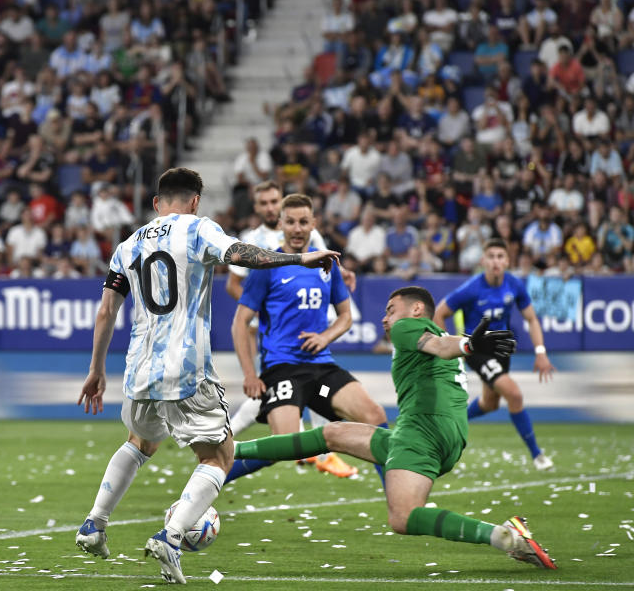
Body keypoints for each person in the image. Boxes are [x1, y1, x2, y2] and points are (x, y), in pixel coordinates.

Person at [73, 168, 341, 584]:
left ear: (157, 203)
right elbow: (244, 256)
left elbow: (107, 310)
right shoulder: (199, 230)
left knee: (140, 442)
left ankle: (94, 523)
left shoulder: (126, 246)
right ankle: (172, 535)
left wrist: (95, 369)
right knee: (219, 456)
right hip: (187, 369)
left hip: (138, 370)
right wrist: (299, 258)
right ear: (195, 201)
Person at [234, 287, 557, 570]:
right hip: (442, 437)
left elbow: (439, 345)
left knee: (402, 518)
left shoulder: (408, 327)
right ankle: (232, 449)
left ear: (416, 309)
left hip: (421, 435)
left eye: (390, 310)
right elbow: (443, 346)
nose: (385, 319)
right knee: (333, 434)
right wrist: (467, 345)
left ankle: (504, 537)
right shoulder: (434, 335)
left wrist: (470, 345)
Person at [225, 193, 386, 485]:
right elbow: (239, 322)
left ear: (314, 224)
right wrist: (250, 374)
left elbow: (345, 316)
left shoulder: (327, 265)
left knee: (374, 416)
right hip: (283, 370)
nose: (297, 228)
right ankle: (215, 474)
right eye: (291, 222)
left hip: (321, 374)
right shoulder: (268, 266)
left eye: (303, 222)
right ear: (281, 225)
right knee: (284, 445)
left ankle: (399, 500)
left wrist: (326, 337)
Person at [433, 239, 555, 469]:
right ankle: (537, 455)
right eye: (491, 256)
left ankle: (451, 421)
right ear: (483, 261)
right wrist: (450, 347)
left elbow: (531, 318)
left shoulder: (515, 285)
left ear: (508, 261)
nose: (496, 261)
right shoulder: (471, 288)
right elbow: (440, 313)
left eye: (500, 256)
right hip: (476, 349)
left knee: (490, 403)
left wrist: (541, 352)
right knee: (514, 394)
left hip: (501, 349)